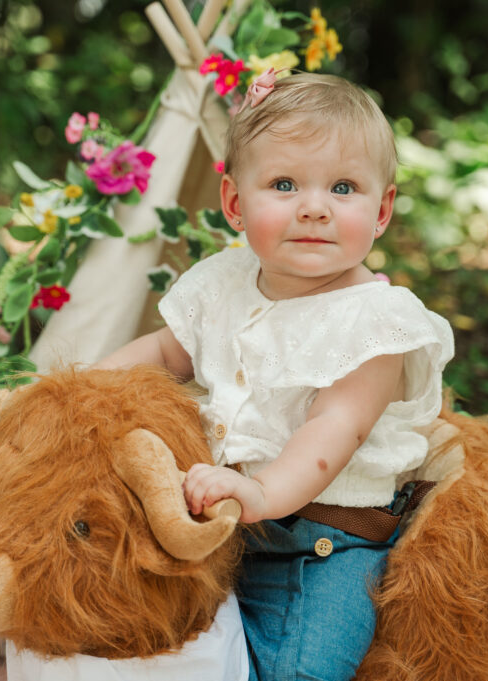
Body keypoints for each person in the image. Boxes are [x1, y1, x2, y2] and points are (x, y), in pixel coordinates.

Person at [95, 70, 454, 681]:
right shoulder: (222, 283)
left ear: (382, 209)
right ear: (235, 203)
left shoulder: (376, 321)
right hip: (220, 523)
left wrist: (262, 494)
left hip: (321, 544)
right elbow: (164, 354)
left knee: (303, 667)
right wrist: (80, 390)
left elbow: (335, 424)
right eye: (284, 184)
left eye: (343, 187)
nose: (313, 206)